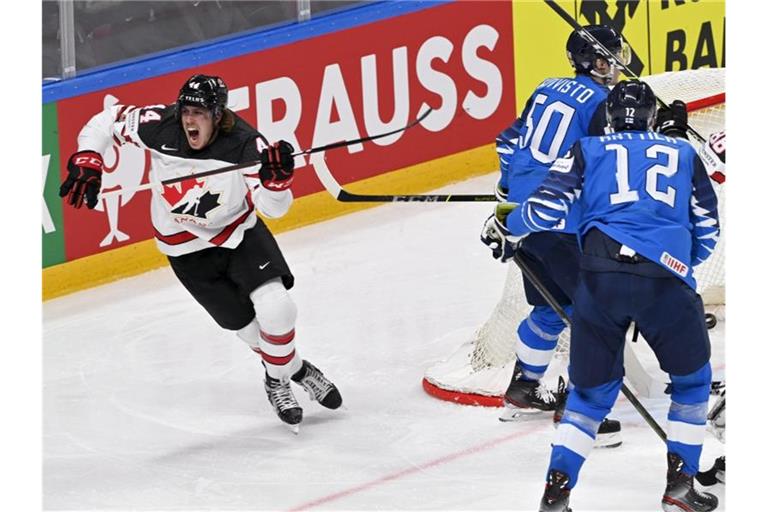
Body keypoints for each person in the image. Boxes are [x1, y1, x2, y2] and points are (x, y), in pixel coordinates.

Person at [483, 79, 720, 511]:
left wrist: (506, 223)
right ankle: (680, 487)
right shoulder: (684, 153)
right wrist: (678, 264)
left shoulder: (587, 150)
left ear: (608, 118)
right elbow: (707, 228)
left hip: (599, 279)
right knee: (692, 384)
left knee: (590, 397)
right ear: (652, 118)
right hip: (665, 283)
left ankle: (557, 492)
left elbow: (544, 211)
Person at [59, 74, 342, 432]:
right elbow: (106, 120)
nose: (189, 120)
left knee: (278, 309)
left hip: (238, 235)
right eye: (186, 111)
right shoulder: (160, 127)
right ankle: (295, 370)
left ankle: (276, 382)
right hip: (185, 248)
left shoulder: (245, 144)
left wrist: (277, 180)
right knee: (249, 330)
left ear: (218, 115)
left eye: (199, 113)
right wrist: (89, 158)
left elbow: (274, 209)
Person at [485, 24, 629, 446]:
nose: (614, 64)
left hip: (527, 221)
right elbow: (606, 167)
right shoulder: (602, 102)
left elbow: (509, 141)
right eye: (607, 58)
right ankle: (580, 412)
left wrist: (509, 196)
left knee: (554, 307)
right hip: (563, 220)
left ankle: (524, 387)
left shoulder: (547, 87)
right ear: (590, 62)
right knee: (595, 314)